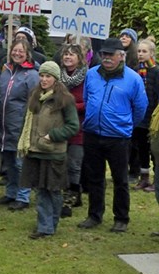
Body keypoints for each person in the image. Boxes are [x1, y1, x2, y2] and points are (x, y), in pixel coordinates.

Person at [78, 37, 148, 233]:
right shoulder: (92, 74)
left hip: (118, 137)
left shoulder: (133, 79)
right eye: (104, 54)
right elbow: (86, 98)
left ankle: (121, 218)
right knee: (95, 177)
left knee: (120, 179)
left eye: (111, 54)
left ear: (121, 56)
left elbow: (140, 108)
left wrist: (125, 125)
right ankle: (94, 215)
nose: (106, 58)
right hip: (92, 133)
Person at [18, 61, 80, 239]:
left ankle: (50, 223)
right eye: (42, 76)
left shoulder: (65, 99)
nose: (44, 79)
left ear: (55, 79)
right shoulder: (35, 95)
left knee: (52, 190)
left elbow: (73, 126)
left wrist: (52, 135)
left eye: (48, 76)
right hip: (35, 150)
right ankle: (45, 226)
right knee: (40, 190)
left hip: (53, 151)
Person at [0, 39, 40, 211]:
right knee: (9, 162)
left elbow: (34, 102)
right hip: (4, 125)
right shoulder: (5, 71)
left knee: (20, 162)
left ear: (27, 53)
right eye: (15, 50)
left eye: (21, 51)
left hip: (20, 124)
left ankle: (23, 196)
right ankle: (11, 192)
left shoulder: (32, 75)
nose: (17, 54)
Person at [58, 43, 87, 217]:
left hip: (80, 127)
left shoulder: (87, 77)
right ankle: (72, 193)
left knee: (74, 164)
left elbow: (89, 101)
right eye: (65, 54)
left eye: (72, 55)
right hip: (61, 126)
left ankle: (70, 199)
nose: (68, 57)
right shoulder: (58, 76)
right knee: (62, 163)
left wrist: (71, 106)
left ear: (79, 58)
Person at [131, 39, 159, 191]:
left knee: (154, 150)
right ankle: (144, 177)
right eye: (139, 51)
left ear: (152, 53)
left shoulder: (156, 71)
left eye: (144, 51)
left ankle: (157, 179)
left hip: (153, 116)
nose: (141, 54)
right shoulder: (135, 71)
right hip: (140, 116)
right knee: (142, 148)